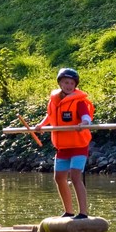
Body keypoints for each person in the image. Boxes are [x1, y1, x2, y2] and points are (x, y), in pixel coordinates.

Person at [36, 68, 95, 219]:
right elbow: (50, 116)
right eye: (65, 82)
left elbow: (86, 116)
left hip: (78, 145)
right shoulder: (54, 100)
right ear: (60, 83)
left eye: (71, 83)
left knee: (75, 176)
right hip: (62, 147)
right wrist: (41, 125)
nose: (69, 85)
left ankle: (83, 213)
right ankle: (68, 211)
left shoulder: (78, 101)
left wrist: (84, 123)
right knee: (59, 177)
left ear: (75, 85)